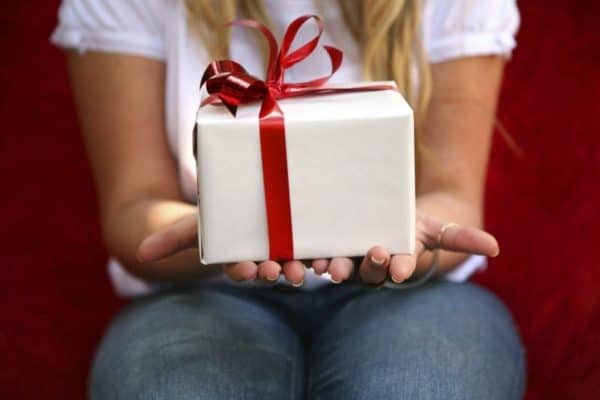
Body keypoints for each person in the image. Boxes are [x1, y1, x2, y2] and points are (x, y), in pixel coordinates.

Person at [51, 0, 526, 398]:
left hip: (412, 296)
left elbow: (452, 196)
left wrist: (411, 239)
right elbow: (136, 204)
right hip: (200, 294)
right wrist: (221, 231)